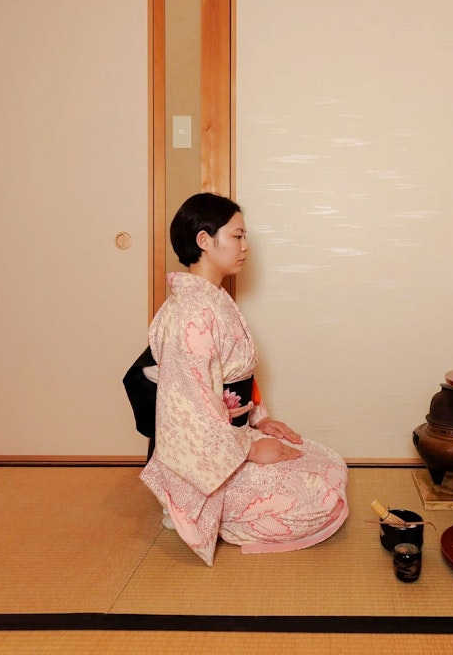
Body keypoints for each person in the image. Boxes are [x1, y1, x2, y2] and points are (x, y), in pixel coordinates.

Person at [139, 192, 349, 565]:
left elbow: (236, 378)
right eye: (237, 236)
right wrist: (250, 449)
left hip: (231, 435)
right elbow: (190, 409)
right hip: (205, 458)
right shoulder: (192, 314)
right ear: (204, 241)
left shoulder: (214, 300)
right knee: (319, 499)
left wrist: (261, 420)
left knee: (328, 462)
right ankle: (189, 507)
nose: (245, 247)